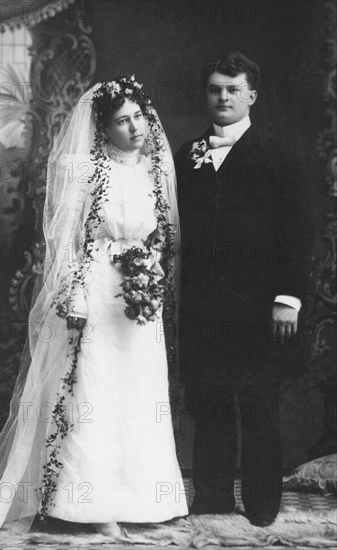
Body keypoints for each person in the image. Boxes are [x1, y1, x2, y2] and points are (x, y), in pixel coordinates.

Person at [0, 75, 188, 535]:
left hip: (141, 292)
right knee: (96, 391)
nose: (134, 128)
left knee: (141, 393)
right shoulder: (85, 169)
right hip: (98, 286)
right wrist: (74, 293)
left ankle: (145, 500)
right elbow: (64, 240)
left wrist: (153, 276)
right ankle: (89, 504)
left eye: (138, 117)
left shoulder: (154, 170)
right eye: (121, 121)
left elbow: (165, 238)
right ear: (104, 128)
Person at [175, 52, 314, 527]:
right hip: (202, 306)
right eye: (215, 89)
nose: (223, 97)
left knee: (257, 404)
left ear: (251, 95)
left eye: (233, 89)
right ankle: (212, 500)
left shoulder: (279, 156)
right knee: (208, 402)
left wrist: (287, 299)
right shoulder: (185, 154)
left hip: (259, 306)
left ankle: (261, 505)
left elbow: (298, 233)